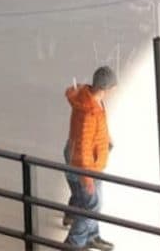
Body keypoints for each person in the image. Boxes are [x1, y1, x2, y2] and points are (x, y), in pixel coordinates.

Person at [63, 66, 117, 251]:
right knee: (91, 206)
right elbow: (84, 147)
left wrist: (106, 138)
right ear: (105, 88)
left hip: (90, 162)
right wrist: (86, 177)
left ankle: (91, 236)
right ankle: (74, 243)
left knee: (93, 202)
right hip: (84, 165)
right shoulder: (89, 112)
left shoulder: (93, 101)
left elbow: (97, 129)